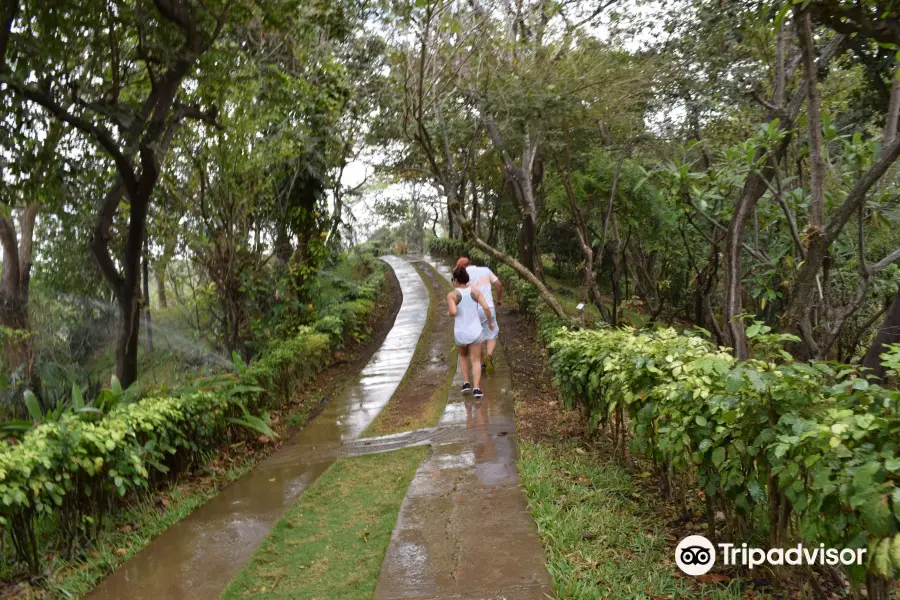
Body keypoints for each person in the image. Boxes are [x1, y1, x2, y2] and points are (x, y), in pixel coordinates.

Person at [448, 265, 495, 399]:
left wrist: (449, 312)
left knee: (463, 357)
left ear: (456, 280)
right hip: (475, 332)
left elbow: (453, 312)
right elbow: (486, 308)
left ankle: (466, 383)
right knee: (475, 360)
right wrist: (490, 322)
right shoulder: (475, 292)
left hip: (461, 332)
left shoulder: (452, 295)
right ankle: (476, 389)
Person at [455, 257, 502, 373]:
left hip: (473, 309)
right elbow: (499, 284)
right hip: (488, 307)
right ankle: (489, 355)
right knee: (492, 334)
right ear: (470, 263)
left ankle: (481, 365)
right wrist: (499, 299)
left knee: (478, 338)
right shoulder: (485, 270)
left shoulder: (463, 275)